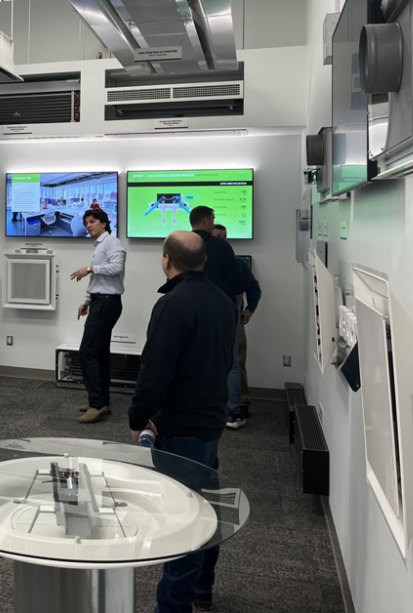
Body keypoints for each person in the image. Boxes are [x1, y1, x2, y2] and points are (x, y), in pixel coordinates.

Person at [128, 231, 237, 613]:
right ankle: (202, 588)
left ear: (166, 260)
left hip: (178, 428)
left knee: (183, 521)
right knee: (206, 507)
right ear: (204, 260)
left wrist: (138, 418)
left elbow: (154, 370)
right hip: (210, 422)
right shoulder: (224, 301)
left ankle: (174, 606)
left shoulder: (172, 304)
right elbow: (226, 363)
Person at [189, 206, 246, 429]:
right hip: (223, 309)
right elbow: (236, 278)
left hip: (191, 306)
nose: (213, 222)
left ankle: (197, 408)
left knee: (194, 357)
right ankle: (232, 413)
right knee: (230, 362)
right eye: (212, 219)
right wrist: (236, 304)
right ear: (206, 220)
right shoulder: (221, 245)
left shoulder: (181, 242)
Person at [69, 208, 127, 423]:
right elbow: (97, 281)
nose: (88, 225)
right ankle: (103, 401)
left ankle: (97, 404)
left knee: (87, 352)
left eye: (92, 221)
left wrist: (90, 268)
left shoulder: (112, 242)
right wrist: (86, 301)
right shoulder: (101, 245)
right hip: (99, 302)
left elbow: (117, 267)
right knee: (100, 353)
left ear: (104, 223)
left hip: (107, 304)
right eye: (86, 222)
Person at [212, 224, 262, 422]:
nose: (221, 240)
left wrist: (249, 310)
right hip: (211, 319)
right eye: (217, 236)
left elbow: (253, 288)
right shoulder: (204, 263)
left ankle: (240, 403)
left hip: (234, 320)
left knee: (236, 362)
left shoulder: (237, 264)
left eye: (224, 236)